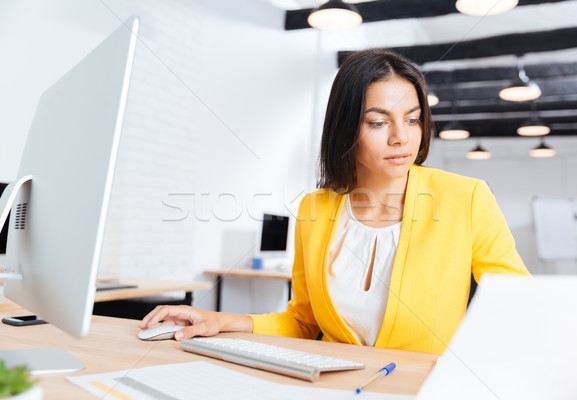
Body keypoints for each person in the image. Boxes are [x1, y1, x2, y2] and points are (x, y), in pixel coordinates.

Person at [139, 49, 530, 354]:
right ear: (345, 128)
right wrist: (218, 320)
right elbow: (303, 321)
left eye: (412, 119)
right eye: (378, 122)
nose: (401, 137)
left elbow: (518, 308)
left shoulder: (468, 198)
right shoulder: (316, 209)